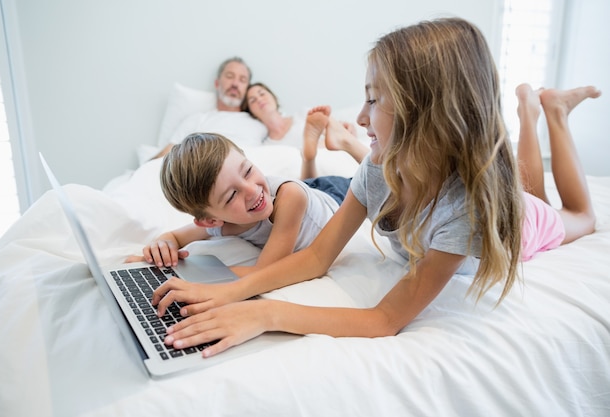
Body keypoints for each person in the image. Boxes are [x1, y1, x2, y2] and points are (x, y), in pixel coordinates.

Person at [148, 18, 598, 358]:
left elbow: (385, 319)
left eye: (374, 100)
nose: (361, 118)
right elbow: (318, 256)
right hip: (479, 191)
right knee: (534, 193)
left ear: (425, 115)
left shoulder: (465, 215)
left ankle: (549, 114)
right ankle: (532, 111)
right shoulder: (376, 171)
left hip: (518, 222)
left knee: (575, 215)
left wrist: (264, 314)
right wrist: (228, 290)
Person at [126, 132, 351, 278]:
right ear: (211, 220)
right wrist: (160, 248)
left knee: (377, 177)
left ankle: (343, 142)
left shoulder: (291, 198)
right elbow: (173, 237)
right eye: (232, 194)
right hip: (306, 196)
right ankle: (309, 161)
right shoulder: (219, 225)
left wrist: (178, 273)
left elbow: (264, 274)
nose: (252, 190)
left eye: (248, 170)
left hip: (334, 194)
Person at [515, 83, 599, 260]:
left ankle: (556, 113)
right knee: (531, 202)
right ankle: (530, 113)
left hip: (512, 222)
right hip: (507, 204)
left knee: (584, 216)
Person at [242, 82, 369, 179]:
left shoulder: (303, 115)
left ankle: (336, 142)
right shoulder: (268, 147)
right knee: (306, 168)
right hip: (311, 167)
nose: (259, 99)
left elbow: (342, 129)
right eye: (252, 100)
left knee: (337, 135)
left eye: (262, 93)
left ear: (273, 97)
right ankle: (311, 153)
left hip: (329, 149)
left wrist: (348, 130)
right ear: (251, 113)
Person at [152, 57, 267, 159]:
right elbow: (164, 156)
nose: (235, 84)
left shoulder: (260, 124)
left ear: (247, 88)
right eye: (229, 76)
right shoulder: (196, 121)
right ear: (217, 83)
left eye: (242, 80)